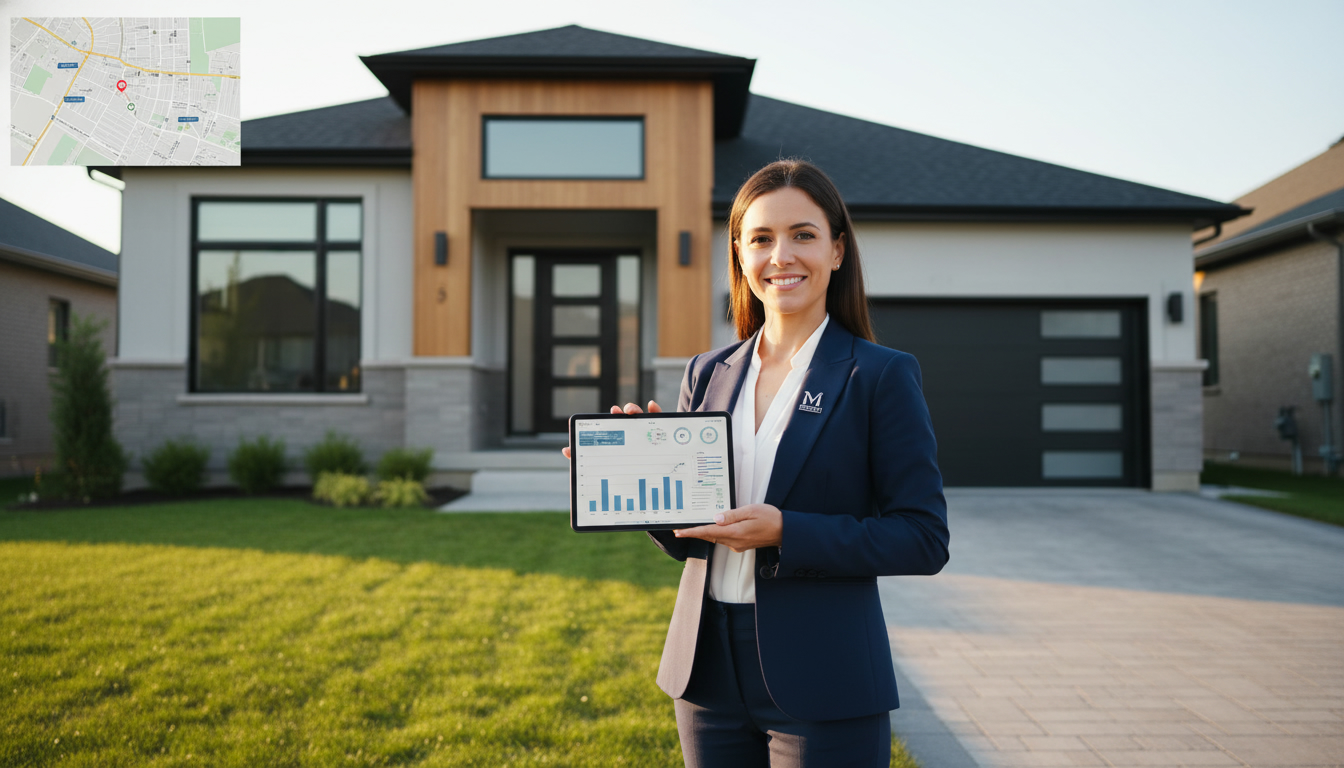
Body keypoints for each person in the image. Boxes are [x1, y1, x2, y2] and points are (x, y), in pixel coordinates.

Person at [565, 159, 948, 767]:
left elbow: (923, 539)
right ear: (740, 255)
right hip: (706, 672)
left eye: (803, 235)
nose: (782, 256)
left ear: (838, 250)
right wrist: (637, 480)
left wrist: (786, 532)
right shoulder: (708, 372)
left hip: (825, 676)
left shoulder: (879, 376)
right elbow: (688, 539)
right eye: (762, 238)